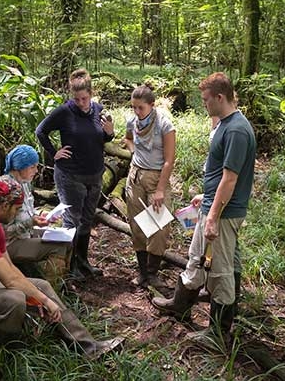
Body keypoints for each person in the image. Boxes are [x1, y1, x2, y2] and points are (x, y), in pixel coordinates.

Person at [0, 176, 123, 356]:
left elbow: (10, 269)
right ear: (5, 206)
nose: (17, 213)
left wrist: (38, 297)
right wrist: (44, 301)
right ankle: (8, 353)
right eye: (16, 209)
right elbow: (10, 280)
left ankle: (88, 347)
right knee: (14, 299)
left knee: (42, 286)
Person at [152, 72, 255, 346]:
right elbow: (220, 172)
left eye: (206, 100)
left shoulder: (236, 130)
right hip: (214, 205)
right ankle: (179, 304)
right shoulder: (226, 123)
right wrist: (205, 197)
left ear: (220, 97)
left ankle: (218, 334)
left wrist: (212, 216)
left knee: (220, 272)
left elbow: (230, 178)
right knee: (196, 258)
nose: (204, 104)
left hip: (223, 213)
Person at [36, 68, 115, 279]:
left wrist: (110, 133)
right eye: (77, 99)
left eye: (84, 98)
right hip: (70, 175)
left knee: (87, 220)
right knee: (73, 219)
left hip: (95, 175)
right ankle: (70, 267)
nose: (81, 103)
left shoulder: (99, 110)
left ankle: (83, 262)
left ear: (91, 94)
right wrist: (54, 153)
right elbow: (40, 131)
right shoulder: (64, 111)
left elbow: (102, 139)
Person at [123, 84, 176, 289]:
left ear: (152, 105)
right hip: (135, 176)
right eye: (134, 107)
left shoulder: (164, 124)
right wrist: (134, 151)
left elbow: (170, 160)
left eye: (141, 108)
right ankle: (143, 272)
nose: (137, 112)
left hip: (156, 178)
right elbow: (127, 139)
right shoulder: (132, 121)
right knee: (137, 225)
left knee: (159, 226)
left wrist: (161, 189)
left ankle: (153, 273)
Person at [0, 145, 72, 271]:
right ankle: (53, 286)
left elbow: (27, 211)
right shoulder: (5, 189)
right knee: (58, 247)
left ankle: (65, 280)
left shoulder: (24, 183)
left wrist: (40, 215)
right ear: (19, 167)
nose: (36, 171)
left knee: (67, 239)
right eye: (32, 167)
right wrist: (31, 222)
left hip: (26, 234)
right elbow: (3, 232)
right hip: (9, 244)